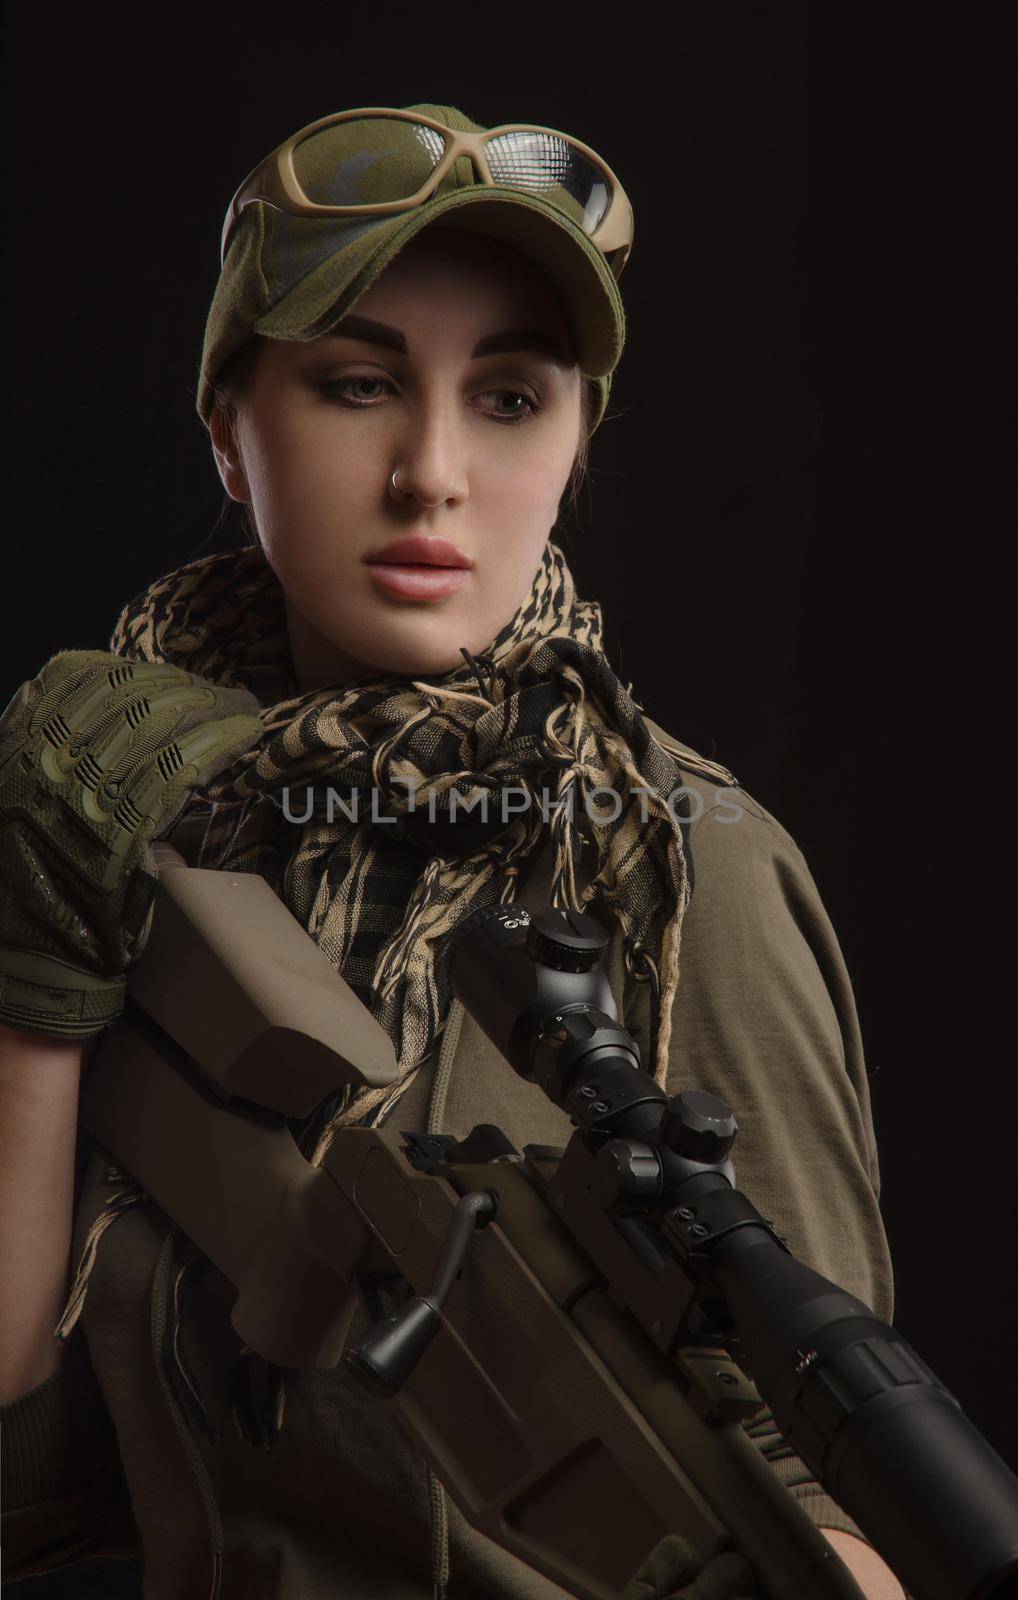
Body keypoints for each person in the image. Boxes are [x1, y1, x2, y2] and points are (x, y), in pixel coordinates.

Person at [0, 104, 902, 1599]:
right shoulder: (112, 809)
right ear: (227, 431)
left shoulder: (680, 865)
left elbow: (824, 1499)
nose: (431, 474)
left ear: (575, 444)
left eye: (507, 398)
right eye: (357, 385)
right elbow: (27, 1504)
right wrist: (32, 988)